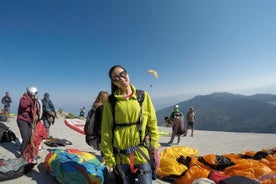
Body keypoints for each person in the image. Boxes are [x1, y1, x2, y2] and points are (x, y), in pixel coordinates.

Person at [101, 65, 160, 184]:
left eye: (123, 74)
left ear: (127, 74)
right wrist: (109, 157)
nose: (121, 79)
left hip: (141, 152)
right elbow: (106, 130)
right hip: (121, 157)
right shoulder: (111, 102)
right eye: (116, 78)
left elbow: (152, 121)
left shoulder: (142, 96)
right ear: (113, 82)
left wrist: (154, 141)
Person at [84, 91, 109, 162]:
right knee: (106, 146)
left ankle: (103, 159)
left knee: (103, 146)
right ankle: (104, 160)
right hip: (101, 130)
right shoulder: (103, 108)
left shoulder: (94, 107)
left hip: (94, 131)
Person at [17, 86, 41, 155]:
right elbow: (23, 105)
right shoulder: (24, 98)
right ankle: (22, 153)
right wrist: (31, 100)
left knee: (30, 137)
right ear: (32, 92)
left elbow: (34, 110)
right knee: (25, 138)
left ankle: (28, 152)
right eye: (35, 93)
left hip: (29, 121)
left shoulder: (32, 100)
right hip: (22, 120)